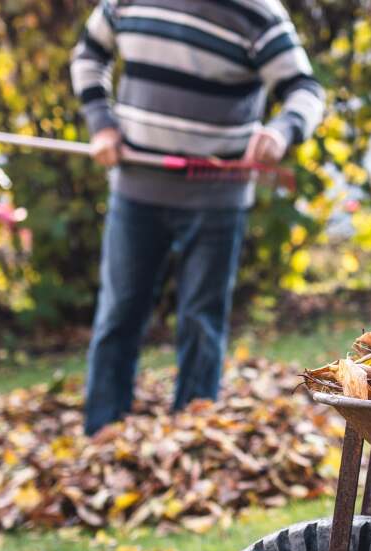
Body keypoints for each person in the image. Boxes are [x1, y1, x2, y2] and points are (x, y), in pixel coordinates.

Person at [70, 0, 324, 436]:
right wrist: (100, 123)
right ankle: (101, 436)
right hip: (136, 189)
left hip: (217, 197)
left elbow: (305, 90)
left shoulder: (257, 12)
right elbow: (88, 55)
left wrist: (281, 132)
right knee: (119, 315)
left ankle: (194, 437)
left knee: (200, 322)